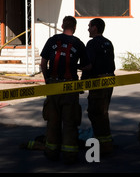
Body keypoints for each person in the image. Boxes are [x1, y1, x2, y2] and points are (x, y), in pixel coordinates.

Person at [40, 15, 89, 164]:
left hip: (53, 86)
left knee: (53, 121)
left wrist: (47, 80)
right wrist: (77, 69)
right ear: (74, 27)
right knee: (70, 122)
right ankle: (70, 155)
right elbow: (88, 66)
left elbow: (43, 63)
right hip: (71, 86)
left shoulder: (52, 40)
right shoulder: (79, 43)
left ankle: (51, 152)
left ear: (62, 26)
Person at [83, 18, 116, 155]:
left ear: (95, 28)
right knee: (103, 112)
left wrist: (81, 81)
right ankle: (106, 143)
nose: (88, 29)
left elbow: (89, 65)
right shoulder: (108, 43)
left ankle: (101, 147)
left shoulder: (91, 44)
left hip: (98, 81)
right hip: (110, 80)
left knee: (95, 113)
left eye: (89, 26)